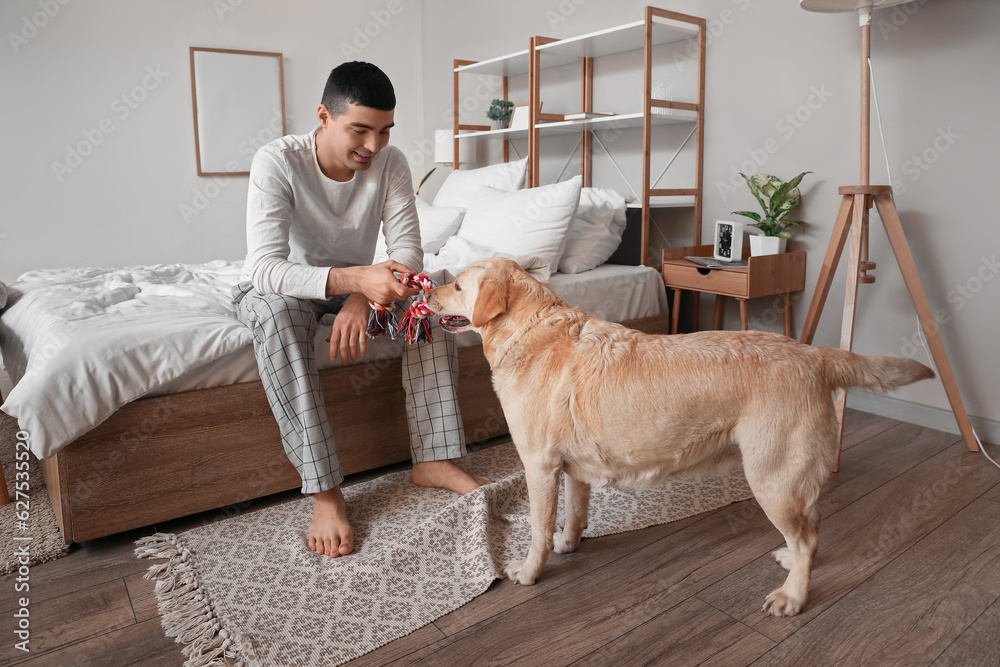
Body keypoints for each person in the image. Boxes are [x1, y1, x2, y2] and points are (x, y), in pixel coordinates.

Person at [232, 61, 489, 559]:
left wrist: (361, 297)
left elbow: (410, 252)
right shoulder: (277, 161)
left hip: (358, 285)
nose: (372, 146)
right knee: (276, 314)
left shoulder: (389, 163)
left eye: (384, 131)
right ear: (324, 116)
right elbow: (265, 267)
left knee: (429, 301)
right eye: (360, 130)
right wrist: (356, 279)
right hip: (287, 288)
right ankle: (325, 493)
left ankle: (434, 458)